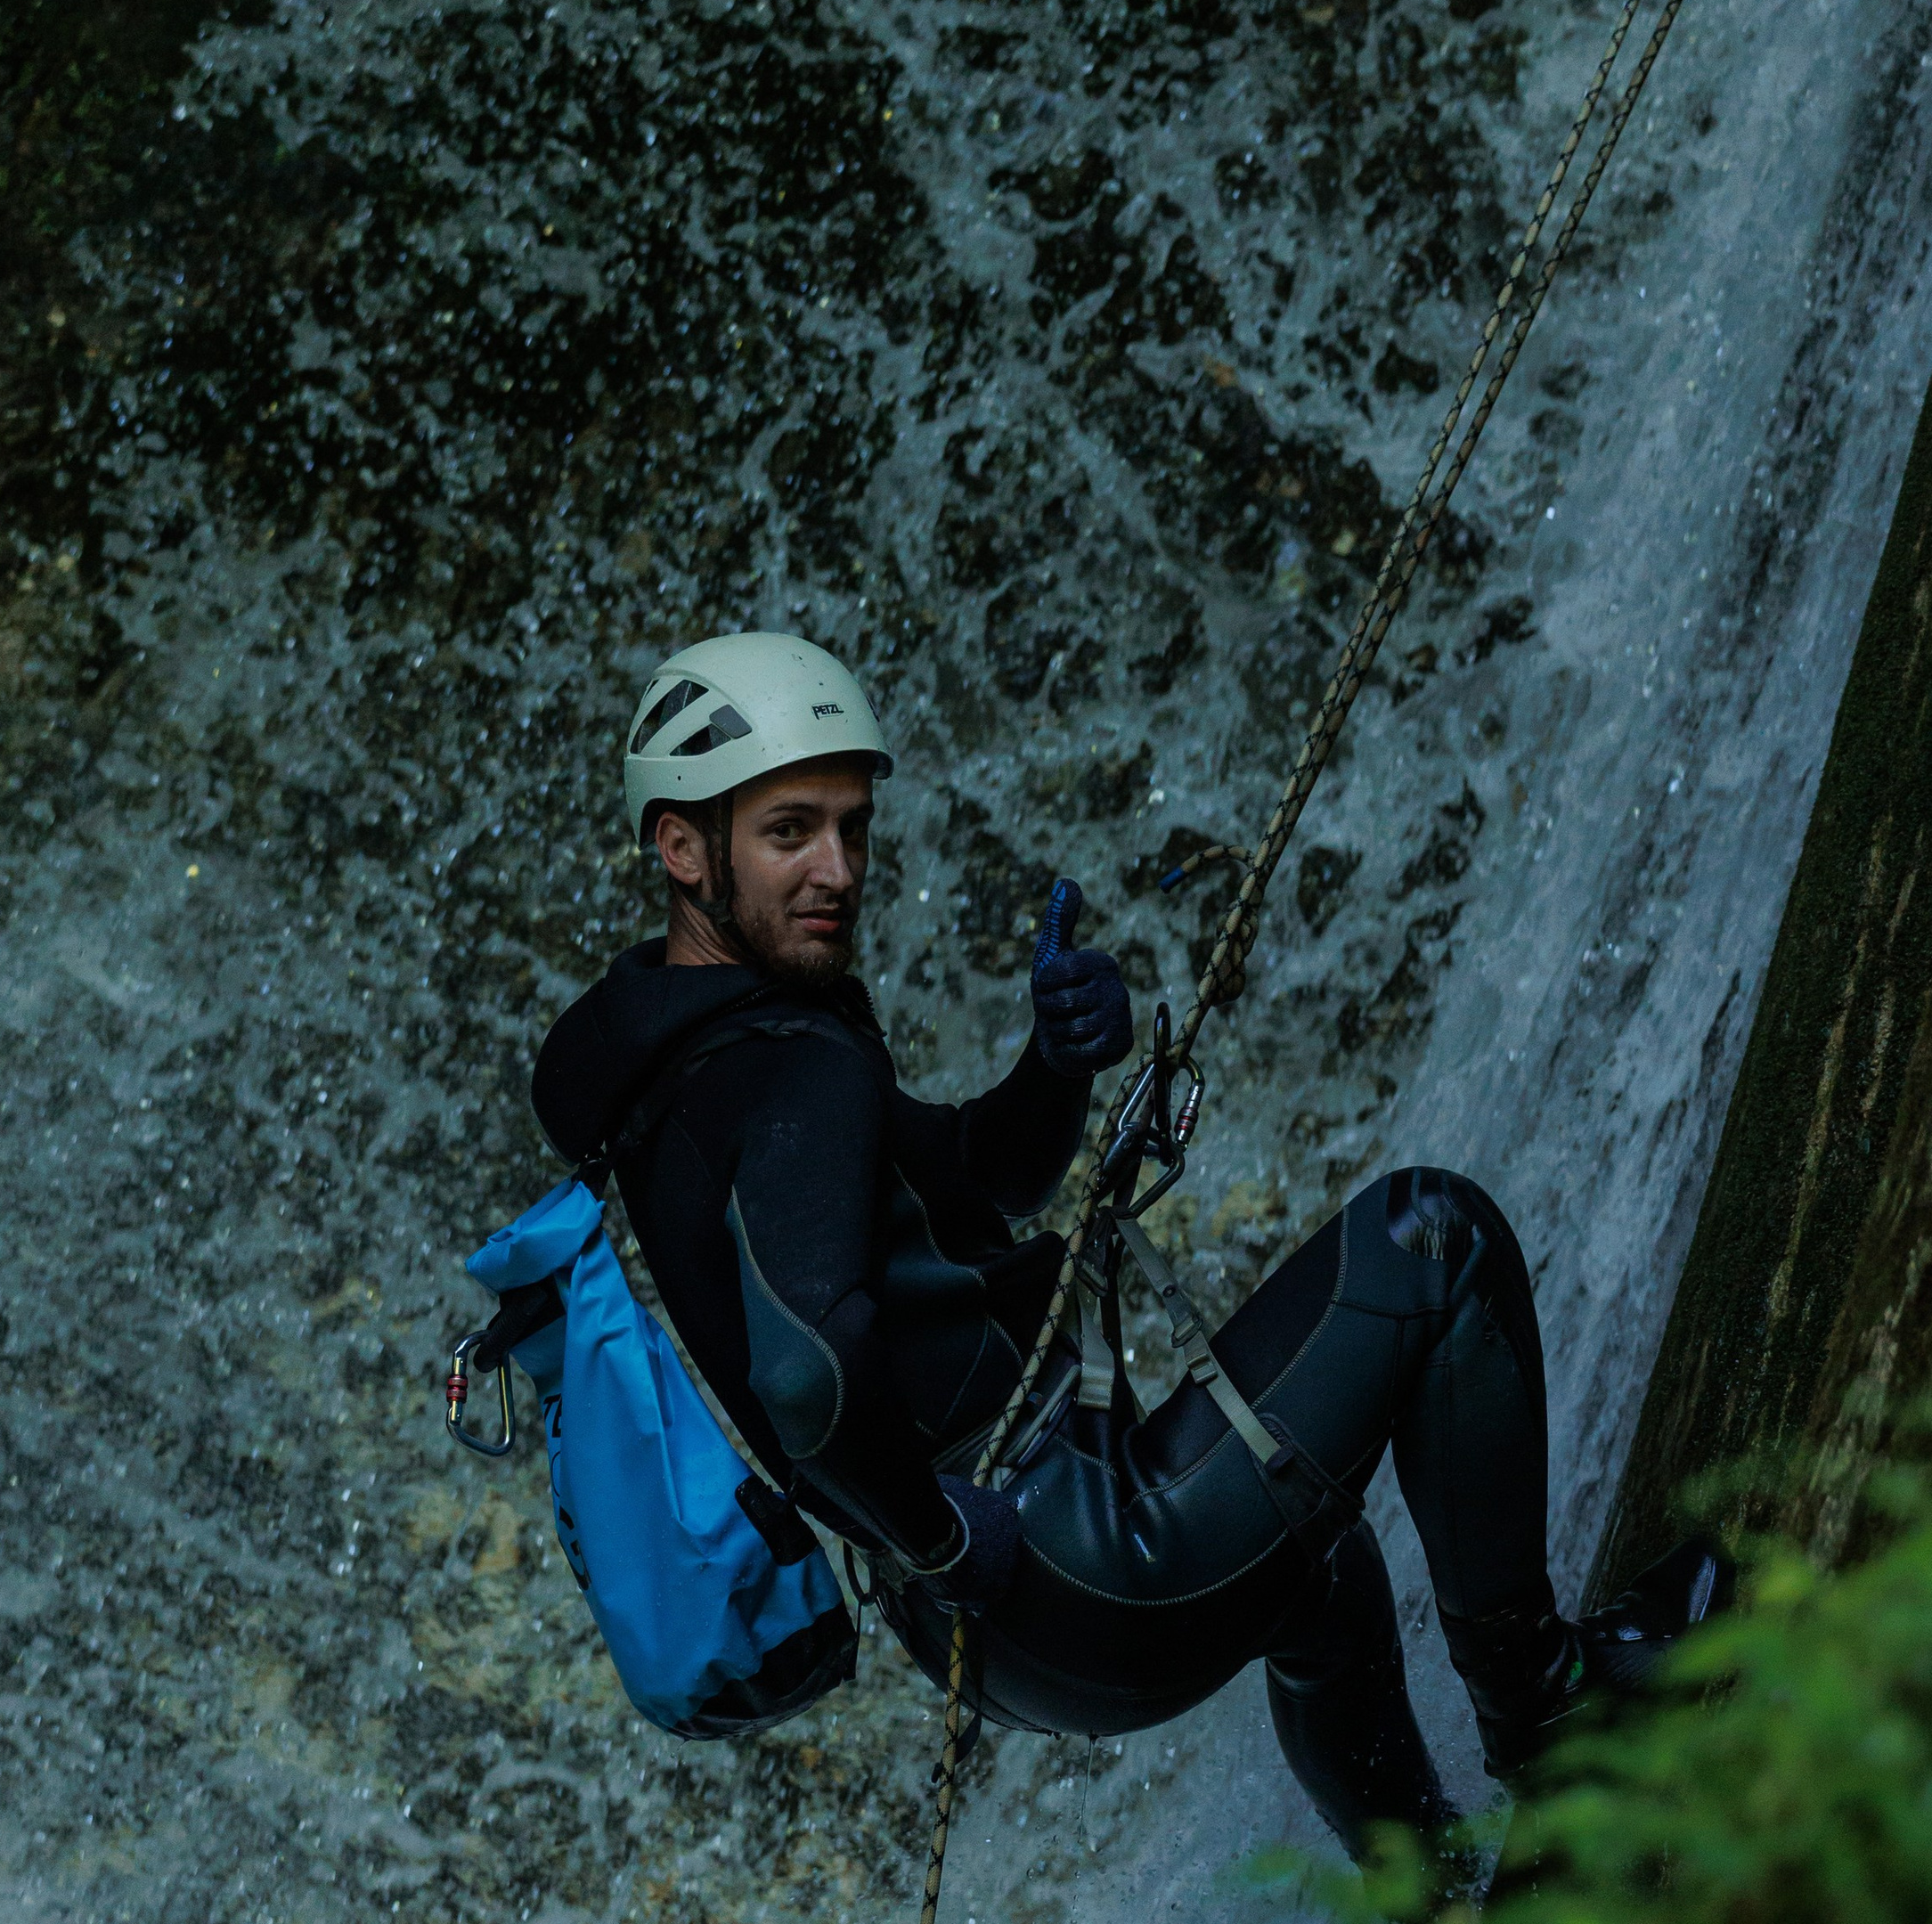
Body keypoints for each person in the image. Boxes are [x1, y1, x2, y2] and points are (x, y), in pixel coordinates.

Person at [529, 632, 1724, 1854]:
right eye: (791, 831)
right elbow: (804, 1375)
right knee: (1436, 1241)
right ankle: (1554, 1717)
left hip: (986, 1628)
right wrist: (948, 1538)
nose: (838, 869)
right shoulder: (786, 1070)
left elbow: (977, 1186)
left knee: (1319, 1579)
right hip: (1061, 1557)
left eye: (854, 827)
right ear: (682, 846)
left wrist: (1051, 1067)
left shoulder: (673, 1061)